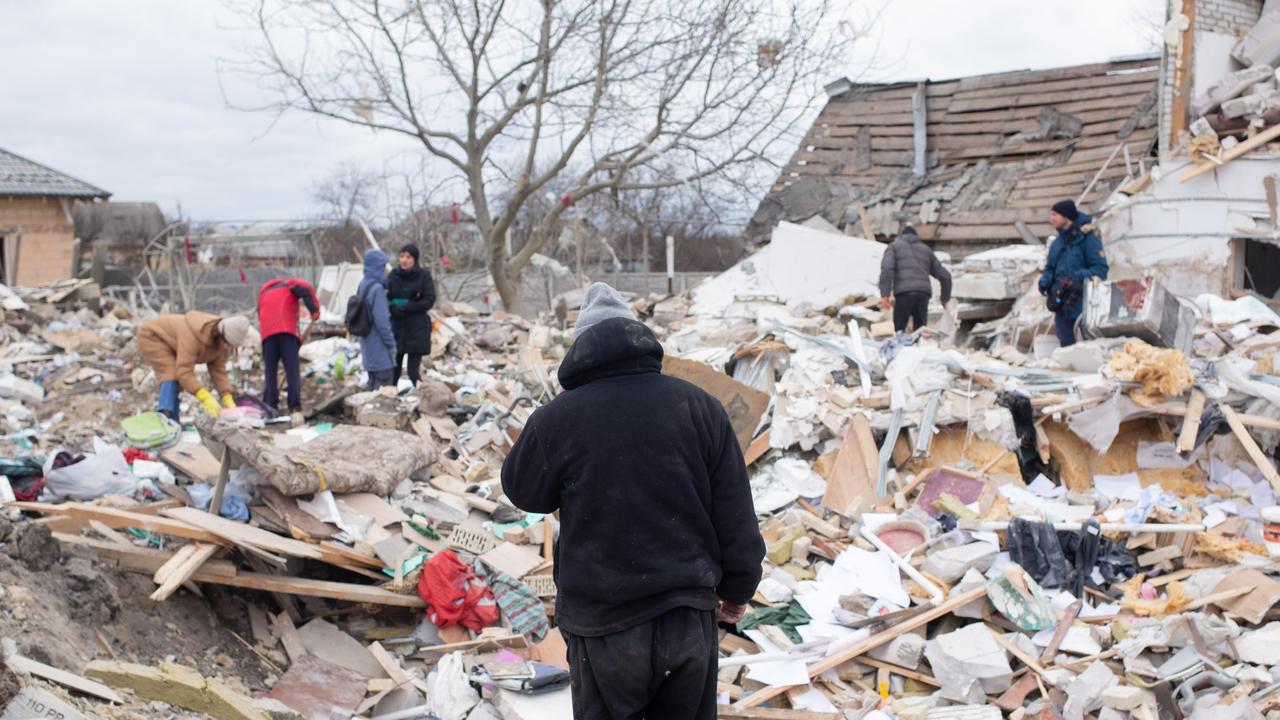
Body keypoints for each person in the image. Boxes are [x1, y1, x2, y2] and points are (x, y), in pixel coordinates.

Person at [501, 283, 765, 720]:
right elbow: (736, 513)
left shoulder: (560, 417)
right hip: (688, 619)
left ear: (579, 352)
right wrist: (738, 589)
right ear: (641, 339)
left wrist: (556, 417)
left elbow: (523, 491)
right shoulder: (700, 407)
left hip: (604, 628)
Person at [137, 312, 259, 421]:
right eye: (226, 343)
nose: (227, 348)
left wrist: (226, 396)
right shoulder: (193, 335)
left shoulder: (223, 345)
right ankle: (165, 417)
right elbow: (184, 372)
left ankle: (173, 422)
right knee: (171, 374)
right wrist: (204, 396)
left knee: (175, 377)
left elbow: (218, 371)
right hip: (153, 336)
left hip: (172, 343)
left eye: (231, 346)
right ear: (219, 335)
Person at [1038, 199, 1108, 348]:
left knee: (1086, 347)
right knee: (1066, 346)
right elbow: (1050, 267)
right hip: (1062, 306)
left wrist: (1077, 277)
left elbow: (1100, 270)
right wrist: (1045, 281)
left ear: (1066, 216)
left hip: (1083, 305)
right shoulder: (1057, 243)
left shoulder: (1088, 239)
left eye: (1055, 214)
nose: (1051, 219)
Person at [257, 277, 320, 423]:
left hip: (267, 335)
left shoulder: (263, 293)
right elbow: (307, 288)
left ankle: (270, 407)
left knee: (270, 372)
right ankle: (294, 408)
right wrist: (314, 309)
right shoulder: (288, 285)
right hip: (286, 331)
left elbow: (260, 314)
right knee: (292, 370)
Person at [878, 224, 952, 333]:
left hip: (904, 294)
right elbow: (945, 276)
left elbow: (887, 269)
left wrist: (885, 294)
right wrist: (945, 299)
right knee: (920, 332)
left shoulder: (894, 247)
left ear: (901, 236)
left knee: (899, 331)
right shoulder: (926, 250)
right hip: (923, 294)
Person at [387, 243, 436, 387]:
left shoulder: (423, 276)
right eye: (402, 256)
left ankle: (417, 399)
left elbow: (429, 300)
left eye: (408, 257)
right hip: (397, 328)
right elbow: (386, 298)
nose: (404, 260)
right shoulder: (393, 276)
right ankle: (392, 398)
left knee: (413, 372)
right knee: (394, 370)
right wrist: (393, 308)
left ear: (415, 259)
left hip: (417, 329)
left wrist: (408, 306)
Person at [357, 248, 397, 390]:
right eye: (383, 266)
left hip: (367, 348)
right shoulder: (377, 289)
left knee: (372, 386)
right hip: (380, 351)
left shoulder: (363, 284)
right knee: (382, 392)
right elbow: (382, 322)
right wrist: (391, 344)